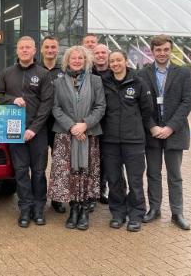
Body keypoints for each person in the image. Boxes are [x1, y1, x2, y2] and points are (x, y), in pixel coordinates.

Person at [0, 36, 53, 227]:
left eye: (28, 47)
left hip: (38, 132)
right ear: (17, 51)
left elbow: (47, 105)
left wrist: (34, 129)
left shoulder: (43, 74)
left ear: (35, 51)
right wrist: (12, 100)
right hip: (14, 130)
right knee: (20, 171)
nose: (25, 50)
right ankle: (25, 209)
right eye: (21, 48)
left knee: (38, 171)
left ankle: (38, 209)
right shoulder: (7, 73)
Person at [138, 35, 191, 230]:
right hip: (151, 132)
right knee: (153, 173)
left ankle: (177, 212)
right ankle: (154, 209)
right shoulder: (143, 73)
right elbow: (142, 104)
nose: (162, 53)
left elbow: (187, 102)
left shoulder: (183, 73)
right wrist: (152, 126)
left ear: (171, 51)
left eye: (165, 50)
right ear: (152, 52)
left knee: (175, 175)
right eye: (158, 50)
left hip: (175, 132)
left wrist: (170, 127)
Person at [47, 45, 106, 231]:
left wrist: (85, 124)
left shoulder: (96, 81)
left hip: (88, 134)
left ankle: (84, 211)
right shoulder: (58, 82)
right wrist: (72, 126)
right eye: (73, 58)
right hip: (66, 135)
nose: (77, 61)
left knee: (85, 172)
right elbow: (55, 108)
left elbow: (100, 106)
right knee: (70, 172)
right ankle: (73, 208)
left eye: (80, 58)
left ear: (86, 60)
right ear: (67, 61)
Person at [101, 50, 156, 232]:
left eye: (118, 60)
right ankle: (118, 213)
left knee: (135, 180)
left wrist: (134, 126)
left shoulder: (138, 82)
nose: (115, 64)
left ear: (125, 61)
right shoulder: (104, 83)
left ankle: (136, 214)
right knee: (114, 180)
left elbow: (147, 110)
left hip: (133, 141)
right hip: (110, 141)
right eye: (112, 61)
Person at [39, 36, 66, 214]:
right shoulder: (34, 69)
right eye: (47, 47)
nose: (50, 50)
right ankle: (40, 198)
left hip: (59, 125)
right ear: (42, 50)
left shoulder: (65, 70)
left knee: (60, 164)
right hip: (40, 125)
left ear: (57, 50)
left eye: (53, 47)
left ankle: (57, 198)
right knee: (40, 164)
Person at [91, 43, 112, 208]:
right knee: (92, 160)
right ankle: (92, 193)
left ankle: (101, 190)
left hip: (110, 123)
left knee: (106, 160)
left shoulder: (115, 72)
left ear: (108, 54)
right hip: (91, 122)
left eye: (103, 52)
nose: (100, 55)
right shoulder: (88, 72)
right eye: (96, 53)